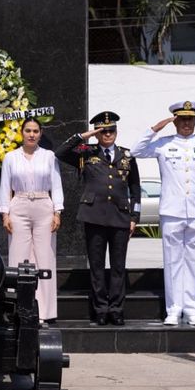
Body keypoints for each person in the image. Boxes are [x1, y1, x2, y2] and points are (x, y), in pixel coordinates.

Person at [130, 101, 195, 326]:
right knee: (172, 261)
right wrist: (155, 128)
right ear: (175, 121)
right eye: (182, 119)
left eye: (190, 119)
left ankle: (191, 309)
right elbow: (136, 150)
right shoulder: (163, 144)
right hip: (172, 211)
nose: (186, 123)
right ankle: (173, 309)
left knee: (194, 261)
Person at [55, 111, 141, 326]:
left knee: (119, 267)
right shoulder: (86, 152)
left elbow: (135, 188)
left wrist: (134, 216)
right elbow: (61, 151)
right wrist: (85, 135)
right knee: (97, 266)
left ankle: (116, 309)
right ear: (97, 133)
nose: (107, 134)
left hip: (120, 216)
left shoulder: (127, 156)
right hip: (94, 216)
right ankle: (101, 309)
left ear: (116, 132)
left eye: (111, 130)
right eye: (103, 131)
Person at [0, 117, 64, 323]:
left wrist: (57, 212)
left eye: (36, 131)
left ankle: (44, 312)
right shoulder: (10, 157)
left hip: (44, 204)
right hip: (19, 204)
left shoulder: (49, 156)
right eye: (28, 130)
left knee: (45, 257)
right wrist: (5, 213)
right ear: (21, 133)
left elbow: (57, 184)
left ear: (41, 133)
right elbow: (5, 186)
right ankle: (19, 308)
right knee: (18, 257)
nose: (32, 134)